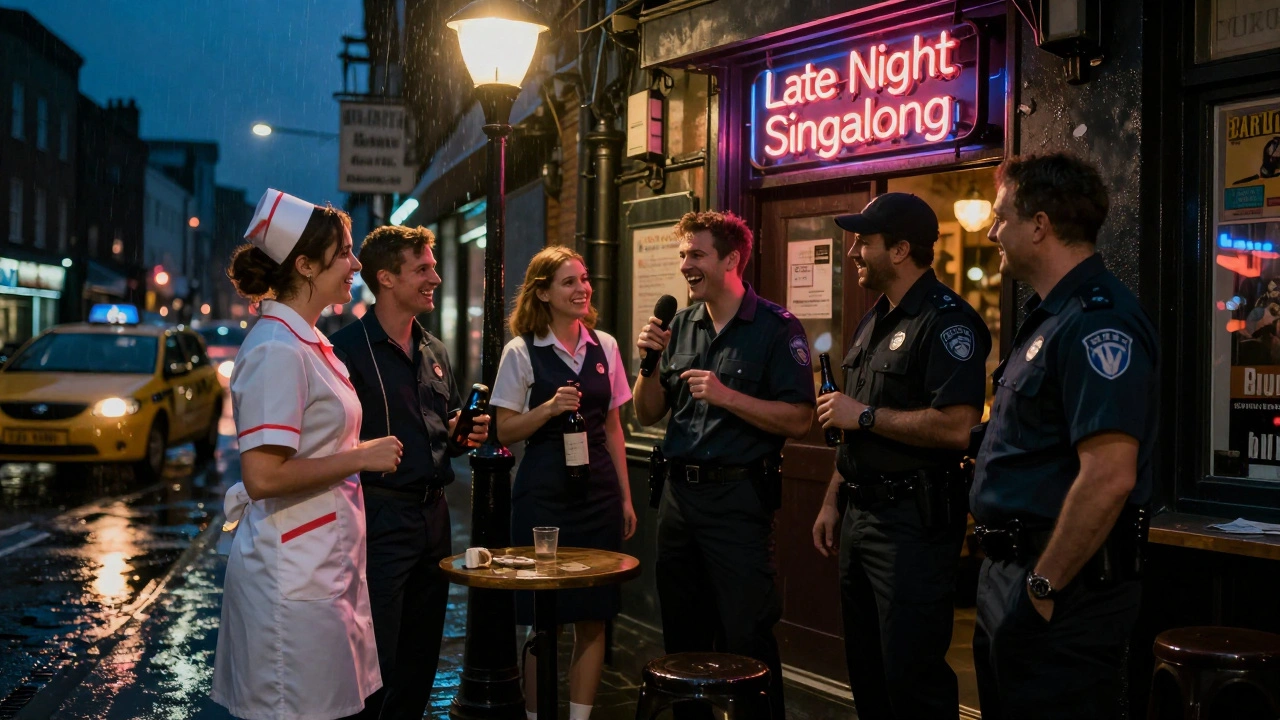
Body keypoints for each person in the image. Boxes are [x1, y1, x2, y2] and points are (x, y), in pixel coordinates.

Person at [970, 153, 1159, 719]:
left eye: (1002, 217)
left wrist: (1042, 589)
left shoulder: (1097, 320)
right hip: (1009, 571)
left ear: (1040, 224)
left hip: (1062, 584)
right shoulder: (1049, 317)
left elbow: (1109, 475)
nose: (993, 230)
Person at [212, 189, 403, 720]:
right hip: (290, 573)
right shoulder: (276, 348)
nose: (355, 263)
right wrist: (360, 458)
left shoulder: (307, 341)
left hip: (319, 560)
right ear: (304, 264)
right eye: (343, 252)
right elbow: (263, 475)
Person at [810, 193, 991, 720]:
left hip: (912, 524)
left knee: (911, 677)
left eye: (864, 243)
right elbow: (849, 426)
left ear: (901, 249)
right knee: (867, 672)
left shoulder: (948, 321)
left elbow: (957, 427)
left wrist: (863, 416)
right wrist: (830, 499)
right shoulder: (874, 320)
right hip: (860, 517)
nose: (852, 254)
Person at [633, 210, 816, 720]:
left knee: (747, 637)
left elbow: (800, 419)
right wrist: (647, 363)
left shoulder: (777, 328)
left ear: (731, 259)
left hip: (737, 503)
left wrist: (727, 396)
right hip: (677, 499)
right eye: (682, 255)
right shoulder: (680, 325)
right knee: (682, 639)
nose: (685, 265)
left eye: (696, 255)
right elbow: (646, 412)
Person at [329, 225, 489, 720]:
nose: (435, 278)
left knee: (422, 657)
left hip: (433, 519)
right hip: (377, 516)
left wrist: (462, 431)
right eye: (422, 269)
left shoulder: (435, 351)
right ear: (386, 278)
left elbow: (446, 436)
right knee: (376, 661)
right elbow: (328, 443)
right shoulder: (345, 350)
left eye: (433, 267)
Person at [490, 245, 637, 720]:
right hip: (543, 494)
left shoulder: (605, 346)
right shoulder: (521, 350)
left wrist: (626, 497)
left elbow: (613, 427)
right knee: (542, 618)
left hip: (597, 492)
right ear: (544, 293)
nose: (582, 289)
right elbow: (505, 430)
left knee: (594, 615)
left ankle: (579, 718)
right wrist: (549, 408)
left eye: (584, 279)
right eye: (569, 282)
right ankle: (536, 716)